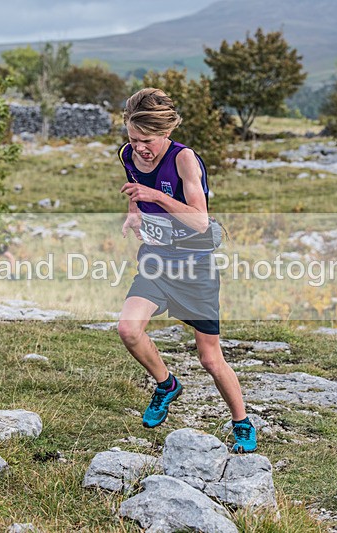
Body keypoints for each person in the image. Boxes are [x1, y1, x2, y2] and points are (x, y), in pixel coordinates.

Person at [116, 87, 256, 453]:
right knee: (128, 329)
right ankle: (166, 384)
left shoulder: (184, 160)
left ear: (165, 133)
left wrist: (158, 197)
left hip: (195, 265)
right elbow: (136, 187)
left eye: (146, 140)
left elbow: (199, 221)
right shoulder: (128, 154)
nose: (139, 148)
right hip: (156, 260)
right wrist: (134, 212)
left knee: (210, 357)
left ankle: (241, 421)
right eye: (133, 138)